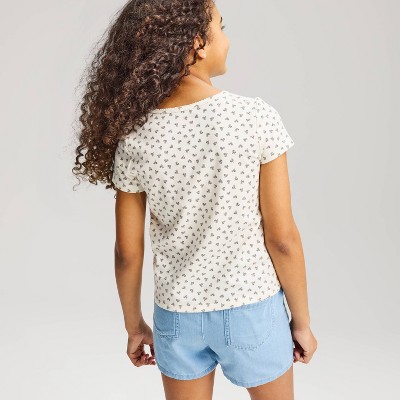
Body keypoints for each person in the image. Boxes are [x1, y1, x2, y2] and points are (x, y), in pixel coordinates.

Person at [73, 0, 317, 399]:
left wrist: (134, 325)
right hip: (252, 308)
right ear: (198, 43)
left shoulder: (135, 136)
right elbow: (282, 237)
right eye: (222, 26)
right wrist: (302, 322)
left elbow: (127, 253)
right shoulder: (254, 118)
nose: (228, 38)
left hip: (177, 318)